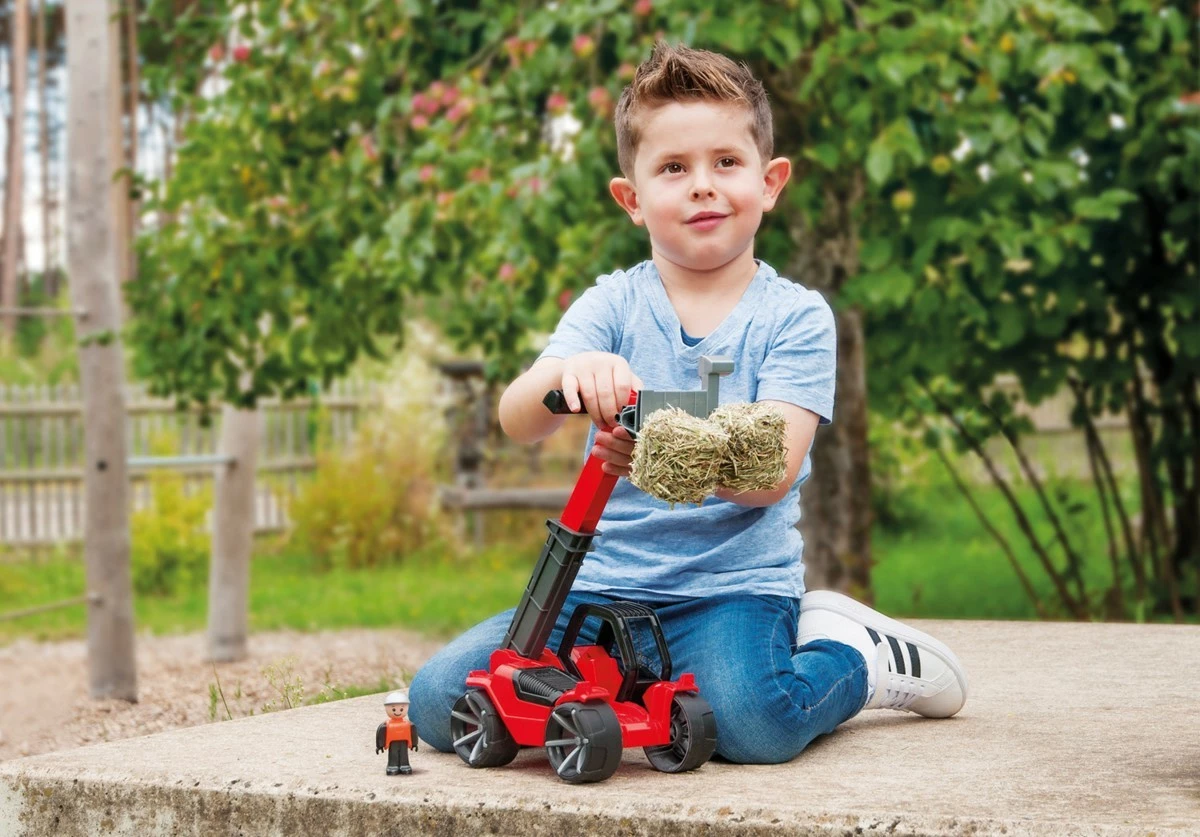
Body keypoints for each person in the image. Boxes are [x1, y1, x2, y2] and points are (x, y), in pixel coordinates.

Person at [410, 41, 968, 765]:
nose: (703, 186)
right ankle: (652, 686)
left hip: (729, 591)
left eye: (725, 163)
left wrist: (658, 450)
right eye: (674, 168)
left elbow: (770, 472)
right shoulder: (612, 303)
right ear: (632, 198)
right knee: (439, 699)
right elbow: (518, 416)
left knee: (754, 726)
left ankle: (854, 659)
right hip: (599, 590)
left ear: (769, 182)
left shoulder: (794, 318)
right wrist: (571, 374)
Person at [376, 689, 419, 775]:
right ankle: (392, 765)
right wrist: (380, 746)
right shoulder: (386, 725)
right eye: (394, 709)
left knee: (404, 754)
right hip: (392, 744)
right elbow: (381, 734)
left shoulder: (408, 725)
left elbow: (413, 733)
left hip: (404, 742)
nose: (398, 712)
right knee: (393, 754)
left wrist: (414, 744)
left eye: (401, 709)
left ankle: (404, 765)